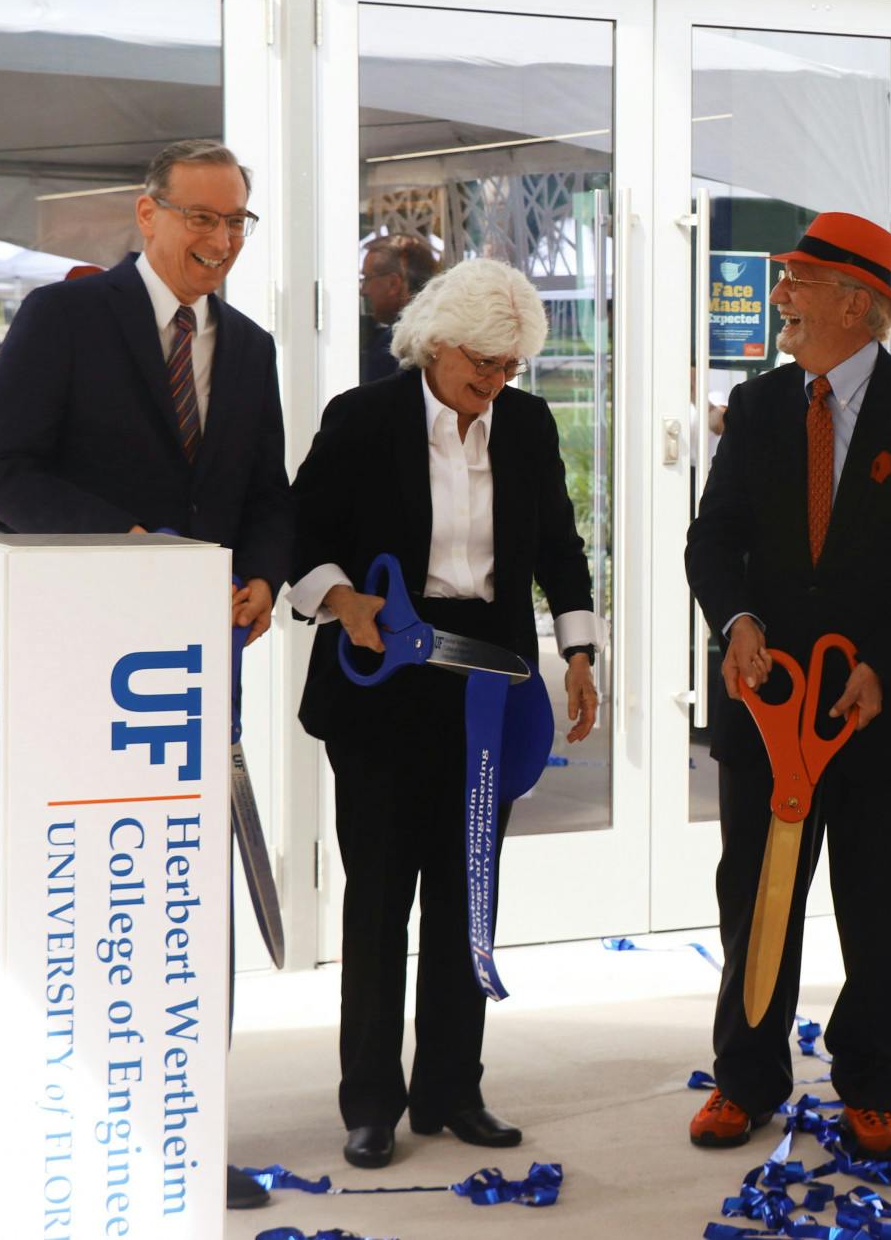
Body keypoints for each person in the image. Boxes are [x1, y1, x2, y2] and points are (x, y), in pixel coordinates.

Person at [0, 138, 292, 1213]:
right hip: (83, 672)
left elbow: (264, 495)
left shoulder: (247, 347)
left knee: (191, 911)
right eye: (200, 218)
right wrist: (137, 550)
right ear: (145, 217)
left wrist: (261, 575)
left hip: (198, 680)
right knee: (100, 907)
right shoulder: (66, 320)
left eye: (237, 223)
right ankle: (94, 1134)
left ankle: (193, 1137)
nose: (219, 241)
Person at [683, 211, 891, 1162]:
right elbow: (714, 536)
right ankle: (745, 1081)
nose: (781, 296)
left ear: (859, 306)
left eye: (800, 282)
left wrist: (879, 664)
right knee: (757, 897)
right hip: (768, 705)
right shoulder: (763, 405)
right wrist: (734, 623)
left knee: (889, 909)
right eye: (786, 280)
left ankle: (872, 1086)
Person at [289, 256, 603, 1170]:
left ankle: (452, 1088)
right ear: (435, 343)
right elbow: (304, 538)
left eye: (510, 368)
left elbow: (558, 544)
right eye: (482, 364)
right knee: (382, 895)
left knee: (470, 890)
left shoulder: (528, 424)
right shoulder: (363, 419)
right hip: (384, 675)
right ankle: (371, 1104)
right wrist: (343, 602)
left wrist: (578, 651)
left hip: (487, 684)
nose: (494, 383)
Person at [359, 233, 438, 383]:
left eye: (367, 279)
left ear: (393, 284)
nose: (363, 291)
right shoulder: (439, 335)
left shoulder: (391, 346)